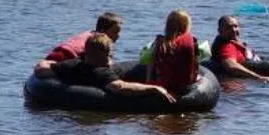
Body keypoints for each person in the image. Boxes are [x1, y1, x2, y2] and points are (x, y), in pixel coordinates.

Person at [33, 32, 175, 105]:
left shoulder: (71, 65)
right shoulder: (101, 73)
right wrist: (154, 88)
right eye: (110, 52)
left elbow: (41, 68)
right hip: (133, 74)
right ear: (105, 53)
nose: (112, 54)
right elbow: (121, 87)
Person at [147, 10, 201, 94]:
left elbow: (151, 65)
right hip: (183, 88)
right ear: (186, 26)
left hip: (162, 87)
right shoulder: (192, 41)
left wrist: (148, 84)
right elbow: (195, 66)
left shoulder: (158, 42)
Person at [45, 12, 123, 63]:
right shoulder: (98, 42)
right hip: (65, 57)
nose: (118, 36)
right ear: (102, 30)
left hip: (54, 54)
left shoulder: (88, 33)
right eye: (115, 32)